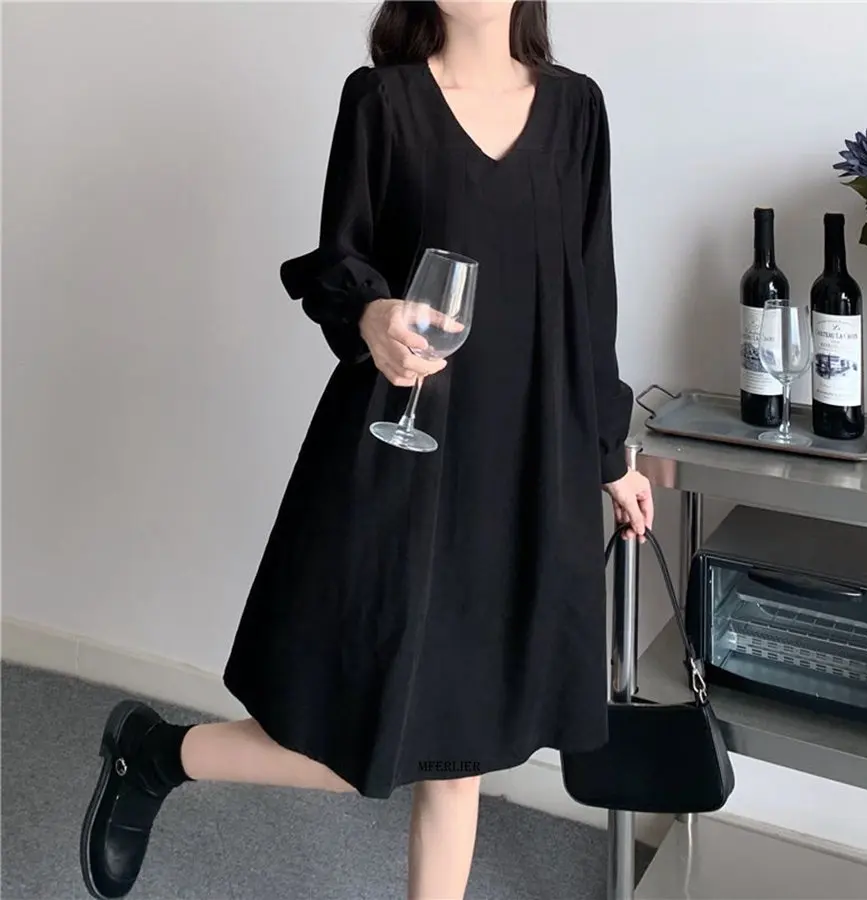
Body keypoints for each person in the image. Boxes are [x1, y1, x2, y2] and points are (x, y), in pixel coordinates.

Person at [79, 2, 654, 899]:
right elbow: (341, 262)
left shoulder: (577, 109)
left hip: (523, 464)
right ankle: (159, 755)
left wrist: (610, 455)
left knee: (460, 751)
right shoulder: (382, 102)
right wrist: (372, 313)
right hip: (405, 448)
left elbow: (592, 299)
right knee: (365, 724)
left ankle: (154, 753)